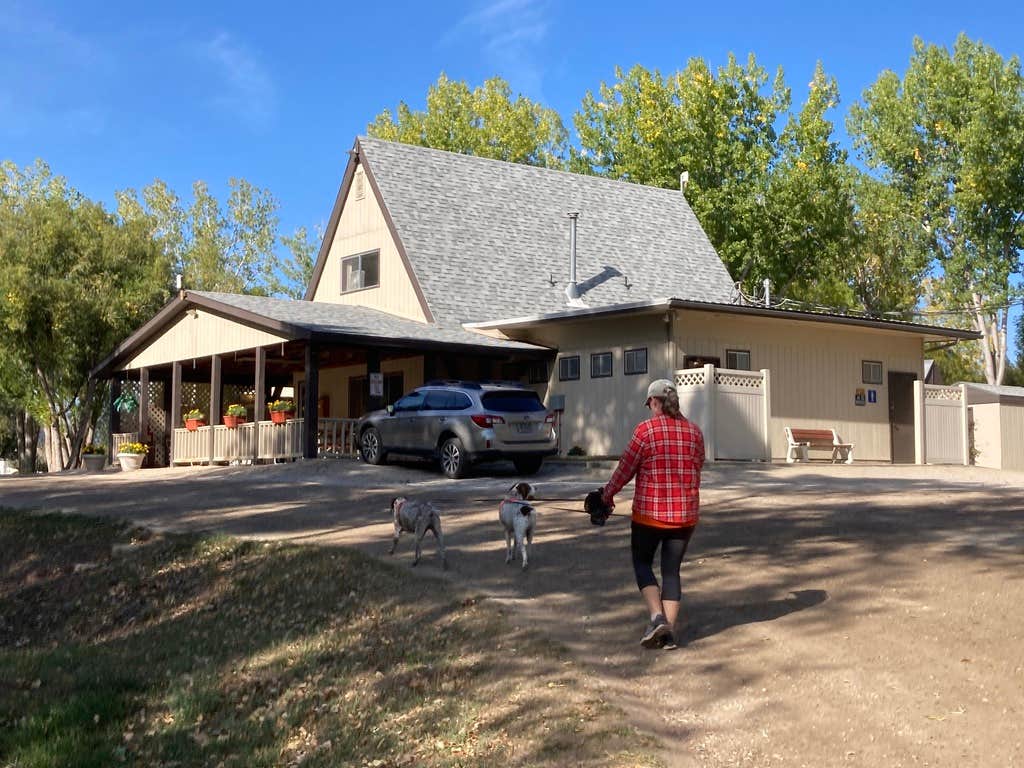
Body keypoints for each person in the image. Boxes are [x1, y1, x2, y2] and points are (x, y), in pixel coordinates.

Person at [601, 378, 705, 650]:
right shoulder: (695, 432)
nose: (649, 408)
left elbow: (625, 469)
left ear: (656, 402)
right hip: (684, 517)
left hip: (649, 514)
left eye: (650, 403)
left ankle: (657, 617)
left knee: (642, 563)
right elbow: (698, 467)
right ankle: (668, 633)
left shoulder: (645, 431)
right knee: (671, 571)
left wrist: (606, 495)